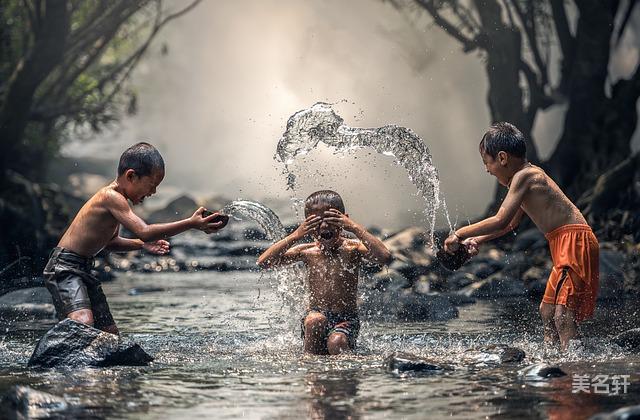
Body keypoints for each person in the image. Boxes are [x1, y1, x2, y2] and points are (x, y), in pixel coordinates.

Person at [444, 122, 599, 351]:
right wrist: (478, 240)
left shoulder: (526, 176)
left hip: (574, 242)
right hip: (564, 243)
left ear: (503, 158)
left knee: (563, 315)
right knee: (547, 312)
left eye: (487, 162)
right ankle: (551, 360)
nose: (487, 169)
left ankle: (574, 368)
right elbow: (509, 225)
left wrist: (458, 233)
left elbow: (500, 219)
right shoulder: (523, 180)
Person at [43, 142, 226, 335]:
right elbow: (145, 231)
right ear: (131, 176)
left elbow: (111, 242)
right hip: (64, 267)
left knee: (109, 332)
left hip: (83, 268)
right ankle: (55, 356)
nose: (153, 192)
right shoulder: (110, 197)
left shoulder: (117, 202)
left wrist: (141, 245)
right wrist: (190, 223)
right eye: (152, 185)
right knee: (83, 320)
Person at [257, 190, 392, 355]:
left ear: (344, 219)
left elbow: (384, 257)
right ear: (307, 224)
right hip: (314, 317)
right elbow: (264, 262)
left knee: (337, 342)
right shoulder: (306, 251)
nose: (324, 226)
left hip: (346, 319)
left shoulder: (353, 248)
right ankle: (310, 370)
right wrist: (296, 235)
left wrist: (355, 227)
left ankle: (342, 376)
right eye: (316, 222)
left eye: (330, 219)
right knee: (315, 320)